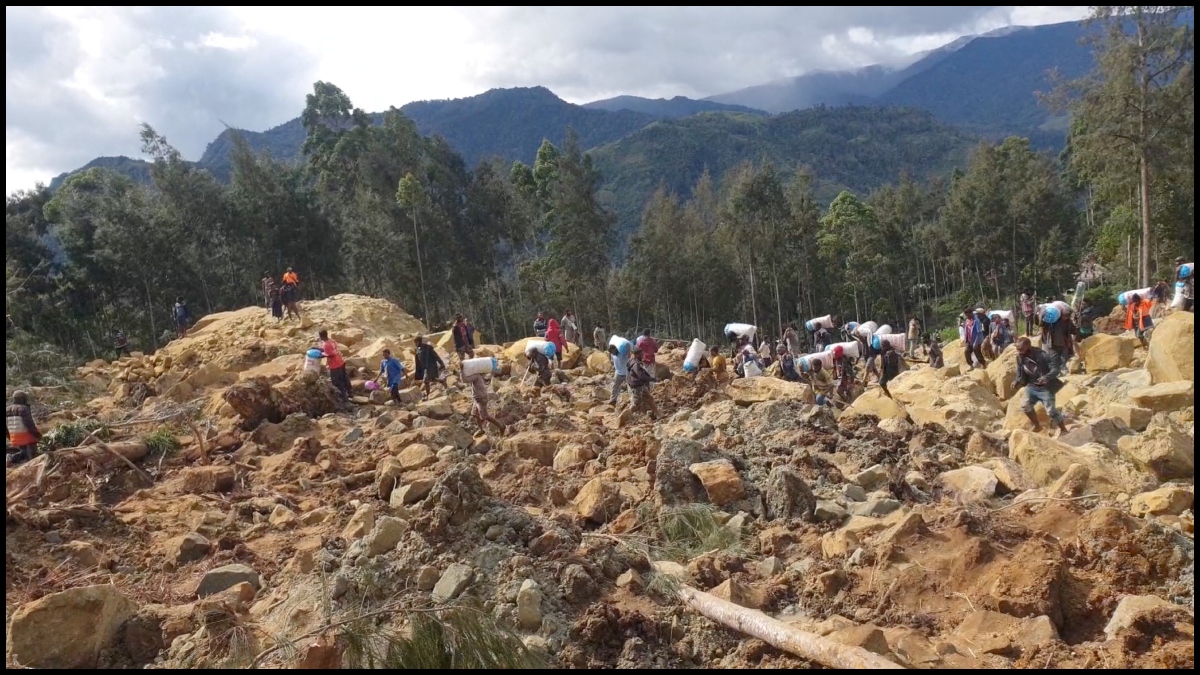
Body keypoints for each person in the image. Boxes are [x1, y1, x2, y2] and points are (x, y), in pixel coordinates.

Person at [1014, 337, 1069, 436]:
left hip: (1045, 388)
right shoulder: (1019, 357)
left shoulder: (1042, 355)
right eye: (1017, 349)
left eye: (1021, 349)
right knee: (1025, 406)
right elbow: (1020, 371)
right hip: (1031, 386)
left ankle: (1063, 429)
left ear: (1028, 346)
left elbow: (1055, 368)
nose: (1019, 351)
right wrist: (1017, 381)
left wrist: (1046, 377)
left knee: (1051, 411)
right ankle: (1037, 426)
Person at [618, 347, 658, 425]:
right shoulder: (636, 364)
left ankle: (658, 414)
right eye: (641, 354)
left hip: (639, 384)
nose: (643, 355)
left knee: (650, 398)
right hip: (637, 386)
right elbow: (641, 376)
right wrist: (652, 379)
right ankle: (623, 416)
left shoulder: (631, 361)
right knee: (636, 404)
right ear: (636, 355)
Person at [464, 369, 506, 437]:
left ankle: (501, 426)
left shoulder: (476, 376)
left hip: (481, 398)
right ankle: (481, 429)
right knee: (474, 414)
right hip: (477, 398)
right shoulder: (477, 375)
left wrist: (461, 371)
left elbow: (465, 380)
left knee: (485, 416)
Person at [6, 391, 42, 467]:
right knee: (31, 460)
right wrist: (37, 435)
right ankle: (12, 458)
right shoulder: (23, 408)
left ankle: (12, 458)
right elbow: (29, 424)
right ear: (22, 399)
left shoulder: (7, 410)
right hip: (26, 439)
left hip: (14, 439)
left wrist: (10, 437)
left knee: (21, 458)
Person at [1038, 303, 1076, 373]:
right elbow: (1041, 323)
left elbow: (1073, 330)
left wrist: (1076, 329)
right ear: (1061, 314)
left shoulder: (1068, 322)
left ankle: (1063, 369)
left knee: (1064, 357)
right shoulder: (1051, 320)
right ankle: (1054, 372)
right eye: (1064, 316)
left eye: (1067, 316)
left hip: (1064, 342)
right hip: (1052, 343)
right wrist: (1042, 313)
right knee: (1053, 359)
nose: (1065, 317)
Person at [318, 330, 351, 397]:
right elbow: (332, 350)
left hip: (335, 365)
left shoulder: (326, 344)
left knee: (337, 381)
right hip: (340, 361)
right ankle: (350, 392)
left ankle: (343, 396)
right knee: (344, 378)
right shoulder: (331, 341)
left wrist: (321, 355)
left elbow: (330, 354)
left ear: (321, 336)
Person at [414, 335, 446, 399]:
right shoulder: (417, 350)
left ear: (420, 341)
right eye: (415, 343)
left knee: (426, 381)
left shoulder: (428, 348)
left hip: (431, 366)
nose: (415, 344)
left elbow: (436, 356)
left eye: (416, 342)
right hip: (424, 368)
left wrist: (441, 363)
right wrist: (418, 371)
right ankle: (442, 381)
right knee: (433, 379)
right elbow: (417, 361)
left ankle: (428, 395)